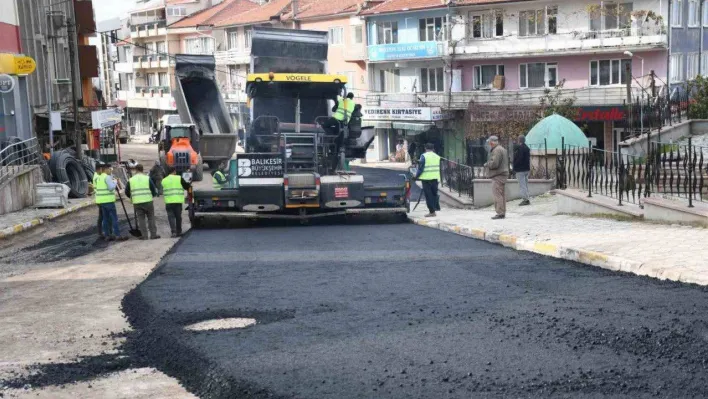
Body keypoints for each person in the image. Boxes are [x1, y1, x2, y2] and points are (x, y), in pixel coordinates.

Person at [95, 163, 129, 241]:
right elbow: (111, 188)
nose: (111, 171)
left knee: (105, 219)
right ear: (106, 169)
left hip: (102, 202)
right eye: (110, 169)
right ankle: (117, 234)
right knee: (114, 218)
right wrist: (115, 182)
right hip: (109, 201)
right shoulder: (107, 178)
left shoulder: (99, 178)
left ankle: (107, 235)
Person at [126, 164, 160, 240]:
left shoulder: (131, 180)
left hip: (137, 202)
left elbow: (126, 191)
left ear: (135, 170)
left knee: (141, 219)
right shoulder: (147, 178)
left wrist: (132, 197)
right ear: (142, 169)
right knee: (151, 217)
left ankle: (144, 236)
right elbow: (153, 189)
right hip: (148, 201)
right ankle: (153, 235)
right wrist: (153, 195)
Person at [484, 136, 509, 220]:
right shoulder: (501, 149)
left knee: (497, 194)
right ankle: (502, 212)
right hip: (502, 174)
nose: (489, 144)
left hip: (498, 175)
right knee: (501, 194)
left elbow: (495, 164)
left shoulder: (497, 150)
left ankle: (500, 213)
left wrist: (487, 164)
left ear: (492, 142)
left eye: (489, 143)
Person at [162, 167, 191, 238]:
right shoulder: (179, 178)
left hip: (168, 202)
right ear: (174, 171)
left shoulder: (164, 180)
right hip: (177, 202)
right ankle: (179, 231)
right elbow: (188, 187)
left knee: (171, 217)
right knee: (178, 217)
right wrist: (189, 195)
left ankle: (173, 232)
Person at [415, 143, 441, 218]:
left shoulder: (424, 156)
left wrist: (416, 176)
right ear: (433, 149)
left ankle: (432, 212)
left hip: (426, 179)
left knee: (428, 195)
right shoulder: (437, 156)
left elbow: (421, 168)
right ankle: (436, 208)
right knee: (434, 194)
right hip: (435, 178)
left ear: (425, 148)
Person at [513, 135, 531, 206]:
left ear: (519, 140)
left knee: (522, 185)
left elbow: (519, 159)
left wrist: (515, 167)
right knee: (525, 185)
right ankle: (527, 198)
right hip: (526, 169)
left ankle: (525, 200)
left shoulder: (520, 148)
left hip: (520, 170)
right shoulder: (527, 148)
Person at [92, 162, 105, 239]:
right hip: (101, 199)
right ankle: (101, 232)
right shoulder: (97, 177)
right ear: (99, 169)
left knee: (102, 216)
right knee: (102, 216)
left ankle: (101, 231)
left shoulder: (97, 176)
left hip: (100, 198)